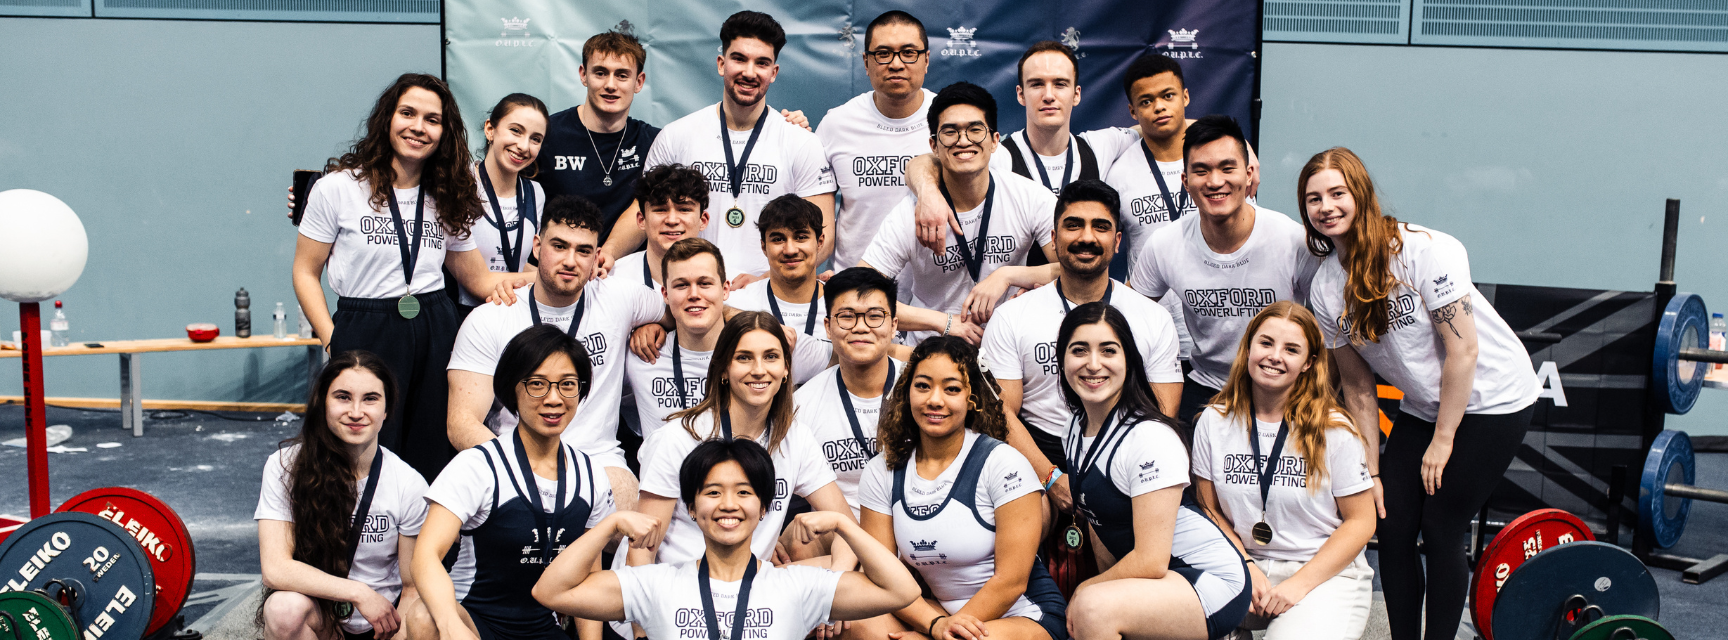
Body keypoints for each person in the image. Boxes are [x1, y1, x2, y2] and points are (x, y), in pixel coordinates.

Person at [1299, 147, 1539, 640]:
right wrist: (1371, 468)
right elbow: (1358, 385)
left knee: (1443, 524)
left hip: (1492, 399)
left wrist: (1444, 439)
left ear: (1360, 193)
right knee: (1389, 523)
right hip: (1425, 405)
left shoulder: (1425, 251)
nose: (1326, 207)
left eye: (1337, 193)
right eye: (1313, 198)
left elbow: (1464, 351)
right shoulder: (1325, 286)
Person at [293, 73, 529, 479]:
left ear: (444, 131)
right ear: (387, 118)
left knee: (432, 453)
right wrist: (332, 340)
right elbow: (304, 271)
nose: (418, 127)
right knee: (357, 451)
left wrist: (551, 278)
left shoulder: (449, 191)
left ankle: (424, 541)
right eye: (408, 113)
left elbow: (479, 279)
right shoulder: (338, 188)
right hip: (365, 325)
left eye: (432, 119)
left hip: (436, 325)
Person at [531, 438, 922, 640]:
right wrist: (608, 526)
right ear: (691, 506)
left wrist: (844, 524)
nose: (728, 505)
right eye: (713, 492)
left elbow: (901, 589)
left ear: (765, 507)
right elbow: (551, 591)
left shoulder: (798, 585)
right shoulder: (657, 584)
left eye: (745, 492)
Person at [447, 195, 663, 511]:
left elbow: (683, 312)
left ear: (596, 257)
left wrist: (657, 326)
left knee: (635, 524)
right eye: (559, 246)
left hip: (596, 459)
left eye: (583, 250)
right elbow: (462, 423)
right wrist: (522, 466)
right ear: (537, 246)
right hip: (514, 458)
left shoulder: (619, 298)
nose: (571, 260)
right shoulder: (493, 317)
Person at [980, 180, 1182, 514]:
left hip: (1123, 455)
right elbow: (1000, 414)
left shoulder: (1153, 318)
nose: (1086, 237)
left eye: (1100, 227)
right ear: (1054, 238)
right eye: (1073, 225)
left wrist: (1110, 480)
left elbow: (1160, 414)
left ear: (1117, 242)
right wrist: (1051, 478)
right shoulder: (1012, 316)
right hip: (1038, 458)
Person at [407, 325, 616, 640]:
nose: (554, 398)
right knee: (423, 617)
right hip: (476, 624)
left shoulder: (591, 475)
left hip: (543, 629)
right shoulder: (477, 466)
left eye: (568, 385)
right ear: (512, 390)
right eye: (537, 384)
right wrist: (451, 627)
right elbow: (425, 555)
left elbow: (589, 575)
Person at [1058, 303, 1250, 640]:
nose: (1093, 364)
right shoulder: (1074, 428)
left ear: (1129, 360)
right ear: (1061, 360)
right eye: (1079, 350)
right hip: (1158, 582)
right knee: (1095, 605)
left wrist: (1087, 590)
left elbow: (1150, 560)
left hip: (1208, 579)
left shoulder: (1150, 437)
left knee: (1091, 608)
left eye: (1108, 350)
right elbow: (1101, 526)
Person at [856, 336, 1070, 640]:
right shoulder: (882, 469)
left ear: (972, 398)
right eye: (923, 386)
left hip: (1022, 615)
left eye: (952, 388)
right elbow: (883, 576)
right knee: (859, 624)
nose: (935, 400)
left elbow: (1011, 582)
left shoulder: (1003, 463)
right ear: (906, 393)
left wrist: (945, 633)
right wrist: (934, 626)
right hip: (939, 616)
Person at [1191, 302, 1375, 639]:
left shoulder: (1334, 429)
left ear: (1308, 363)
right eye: (1265, 343)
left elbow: (1362, 521)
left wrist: (1297, 585)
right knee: (1161, 621)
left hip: (1321, 572)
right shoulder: (1213, 421)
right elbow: (1209, 509)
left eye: (1291, 349)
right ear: (1248, 349)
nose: (1275, 356)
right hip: (1240, 563)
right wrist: (1243, 566)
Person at [630, 311, 860, 572]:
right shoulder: (678, 438)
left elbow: (847, 527)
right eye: (744, 358)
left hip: (754, 593)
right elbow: (641, 551)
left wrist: (838, 586)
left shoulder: (795, 437)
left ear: (786, 368)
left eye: (771, 357)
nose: (759, 370)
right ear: (724, 369)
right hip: (680, 591)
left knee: (866, 580)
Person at [1128, 115, 1317, 428]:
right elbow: (1129, 318)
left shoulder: (1291, 240)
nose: (1215, 182)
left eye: (1227, 168)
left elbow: (1328, 324)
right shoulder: (1164, 244)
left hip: (1286, 387)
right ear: (1185, 181)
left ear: (1248, 174)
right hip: (1207, 386)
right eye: (1201, 171)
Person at [643, 10, 837, 286]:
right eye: (739, 59)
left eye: (762, 63)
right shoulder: (676, 136)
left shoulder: (801, 142)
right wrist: (611, 253)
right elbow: (645, 213)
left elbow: (823, 238)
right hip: (693, 294)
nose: (749, 72)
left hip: (770, 297)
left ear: (774, 72)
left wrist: (764, 279)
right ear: (722, 63)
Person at [859, 81, 1058, 344]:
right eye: (950, 132)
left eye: (975, 130)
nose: (963, 141)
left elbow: (1074, 272)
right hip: (930, 353)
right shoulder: (911, 213)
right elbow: (858, 294)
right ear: (934, 145)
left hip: (1007, 347)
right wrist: (945, 322)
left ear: (995, 140)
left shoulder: (1030, 198)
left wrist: (1007, 275)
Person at [257, 351, 424, 640]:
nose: (357, 412)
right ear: (322, 403)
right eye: (343, 397)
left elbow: (411, 589)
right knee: (283, 609)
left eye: (370, 399)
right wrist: (358, 592)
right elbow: (275, 568)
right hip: (323, 619)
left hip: (385, 624)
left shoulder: (408, 483)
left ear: (387, 410)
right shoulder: (284, 466)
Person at [816, 10, 937, 272]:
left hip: (932, 294)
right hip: (856, 291)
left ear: (926, 60)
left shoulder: (951, 121)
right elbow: (814, 220)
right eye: (883, 53)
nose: (896, 64)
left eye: (909, 52)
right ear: (866, 62)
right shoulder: (836, 124)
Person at [536, 30, 660, 268]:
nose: (610, 85)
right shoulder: (547, 134)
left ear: (639, 82)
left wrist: (608, 254)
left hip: (625, 276)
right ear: (583, 75)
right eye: (600, 73)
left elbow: (649, 211)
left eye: (622, 75)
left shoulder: (654, 142)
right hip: (558, 272)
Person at [790, 267, 903, 516]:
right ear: (828, 327)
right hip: (841, 536)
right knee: (800, 540)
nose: (861, 327)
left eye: (874, 316)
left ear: (894, 325)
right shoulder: (802, 405)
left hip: (918, 534)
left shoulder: (924, 390)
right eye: (847, 317)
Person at [625, 238, 730, 436]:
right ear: (665, 293)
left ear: (725, 289)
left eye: (705, 283)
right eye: (681, 285)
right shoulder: (642, 355)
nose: (694, 294)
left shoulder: (755, 353)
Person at [729, 195, 833, 385]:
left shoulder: (844, 308)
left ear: (819, 242)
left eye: (801, 237)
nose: (790, 249)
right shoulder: (738, 304)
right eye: (778, 239)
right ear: (763, 247)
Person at [461, 93, 549, 312]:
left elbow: (518, 264)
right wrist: (553, 277)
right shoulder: (460, 184)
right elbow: (477, 282)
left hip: (513, 312)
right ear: (490, 129)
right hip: (462, 315)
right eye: (516, 131)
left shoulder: (535, 193)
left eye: (535, 138)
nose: (523, 145)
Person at [608, 164, 712, 289]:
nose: (672, 220)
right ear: (641, 220)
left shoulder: (729, 282)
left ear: (703, 220)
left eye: (684, 209)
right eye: (660, 210)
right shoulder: (612, 279)